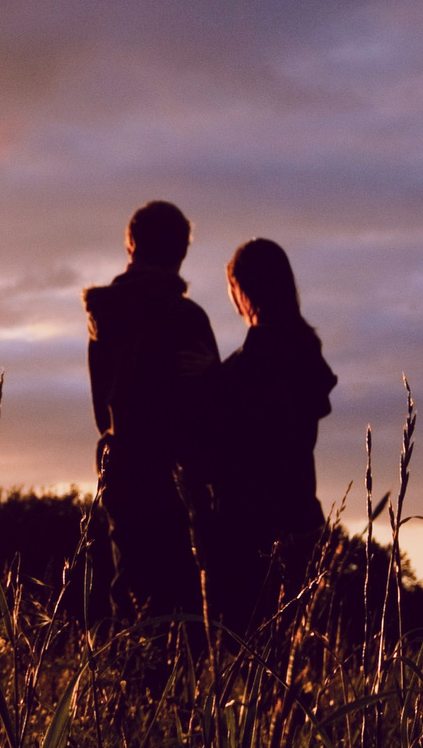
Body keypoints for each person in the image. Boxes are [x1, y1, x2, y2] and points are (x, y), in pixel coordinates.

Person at [83, 200, 219, 619]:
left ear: (131, 247)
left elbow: (101, 403)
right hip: (179, 475)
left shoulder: (103, 317)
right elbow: (211, 408)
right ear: (181, 254)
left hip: (121, 468)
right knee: (184, 606)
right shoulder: (187, 317)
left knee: (133, 595)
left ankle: (133, 681)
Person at [205, 237, 337, 634]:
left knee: (244, 651)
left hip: (251, 527)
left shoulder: (248, 366)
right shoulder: (305, 351)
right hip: (301, 517)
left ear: (241, 290)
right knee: (290, 654)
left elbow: (232, 442)